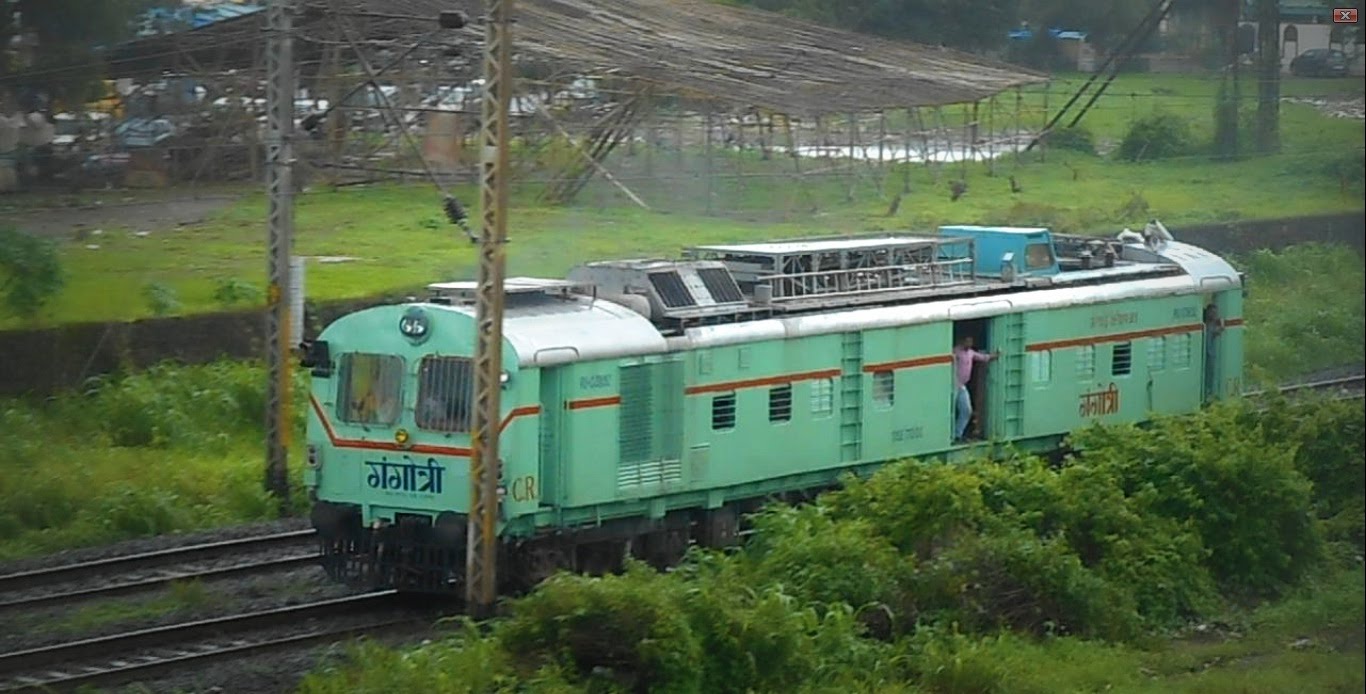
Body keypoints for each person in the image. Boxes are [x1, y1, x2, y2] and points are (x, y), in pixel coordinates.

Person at [953, 335, 998, 444]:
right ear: (962, 341)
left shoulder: (971, 353)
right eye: (967, 341)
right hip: (953, 385)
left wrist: (995, 356)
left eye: (971, 342)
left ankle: (957, 434)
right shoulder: (956, 352)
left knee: (967, 411)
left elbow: (983, 357)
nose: (969, 344)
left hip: (962, 386)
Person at [1203, 303, 1224, 399]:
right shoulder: (1206, 325)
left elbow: (1219, 331)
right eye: (1212, 312)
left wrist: (1221, 324)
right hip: (1206, 353)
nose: (1214, 315)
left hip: (1210, 353)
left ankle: (1209, 393)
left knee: (1210, 374)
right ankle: (1207, 393)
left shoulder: (1212, 325)